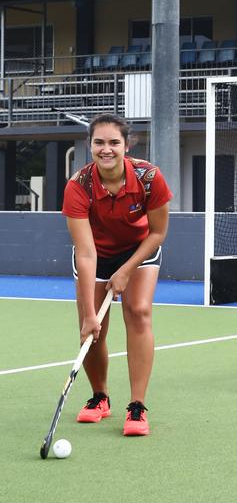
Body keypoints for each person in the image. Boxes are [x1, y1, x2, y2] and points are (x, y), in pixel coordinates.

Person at [62, 113, 173, 436]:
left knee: (138, 311)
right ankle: (100, 397)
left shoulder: (149, 177)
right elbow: (85, 252)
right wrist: (88, 313)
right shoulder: (78, 186)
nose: (106, 149)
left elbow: (158, 233)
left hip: (141, 248)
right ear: (90, 145)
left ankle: (137, 406)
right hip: (95, 253)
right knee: (93, 327)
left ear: (126, 145)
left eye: (114, 142)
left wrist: (126, 270)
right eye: (99, 142)